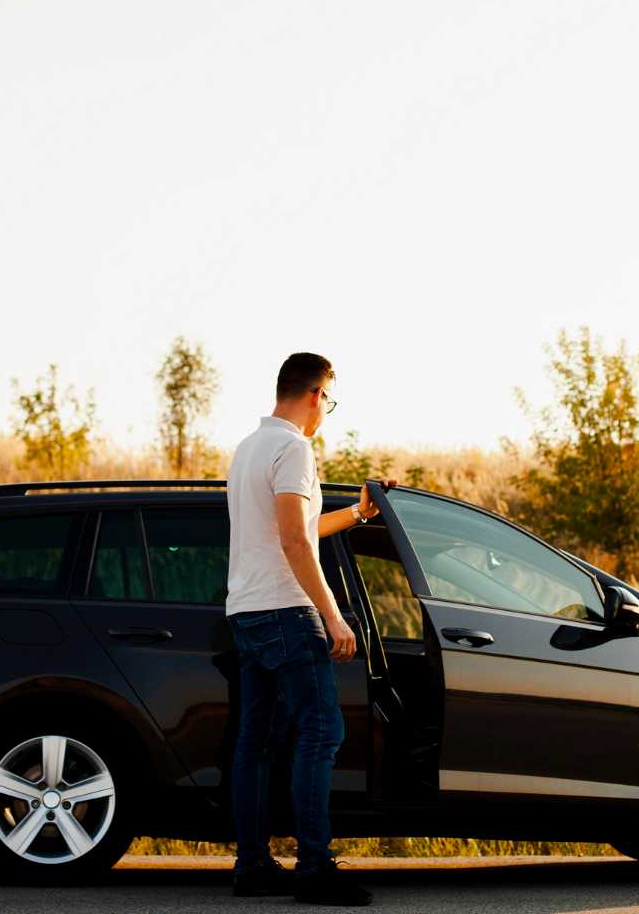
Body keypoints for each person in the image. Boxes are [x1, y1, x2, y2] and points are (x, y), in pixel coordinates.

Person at [224, 352, 392, 906]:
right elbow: (295, 541)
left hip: (247, 612)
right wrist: (332, 614)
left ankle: (252, 865)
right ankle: (314, 869)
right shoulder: (294, 448)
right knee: (321, 732)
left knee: (255, 743)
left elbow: (299, 526)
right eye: (330, 401)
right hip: (287, 612)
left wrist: (358, 514)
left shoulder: (249, 448)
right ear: (317, 394)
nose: (327, 413)